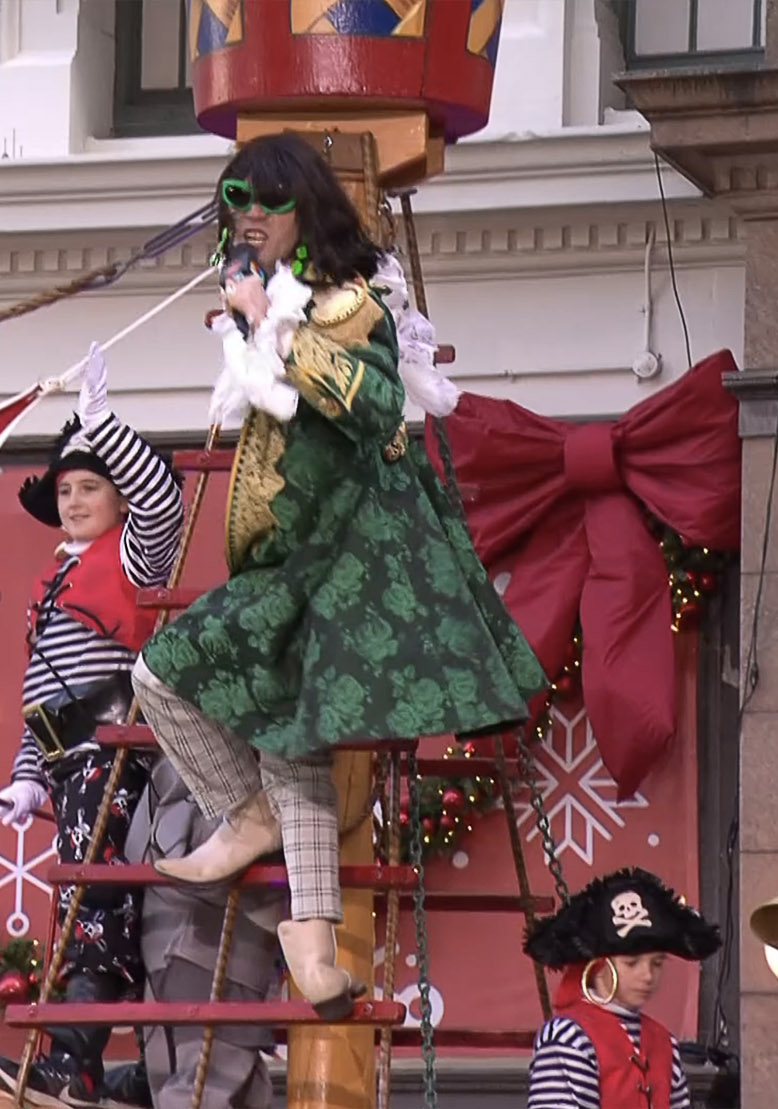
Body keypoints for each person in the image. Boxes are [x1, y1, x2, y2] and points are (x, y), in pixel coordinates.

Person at [128, 132, 546, 1014]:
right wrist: (259, 323)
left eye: (264, 200)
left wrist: (274, 330)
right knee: (288, 742)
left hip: (339, 563)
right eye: (234, 198)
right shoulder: (272, 311)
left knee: (162, 672)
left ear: (304, 210)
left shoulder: (353, 306)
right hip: (290, 562)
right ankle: (312, 951)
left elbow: (377, 403)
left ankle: (248, 822)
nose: (245, 215)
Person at [0, 343, 184, 1108]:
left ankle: (74, 1058)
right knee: (81, 905)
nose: (72, 501)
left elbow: (165, 502)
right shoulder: (53, 579)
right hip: (71, 763)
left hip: (117, 757)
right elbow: (43, 690)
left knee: (99, 904)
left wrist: (107, 422)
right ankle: (92, 1067)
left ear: (118, 495)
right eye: (65, 488)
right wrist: (28, 772)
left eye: (89, 486)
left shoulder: (134, 555)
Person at [126, 759, 279, 1108]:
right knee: (194, 1078)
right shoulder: (181, 757)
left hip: (217, 934)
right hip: (178, 929)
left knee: (206, 1079)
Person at [521, 868, 722, 1109]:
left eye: (657, 963)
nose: (648, 975)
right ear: (599, 965)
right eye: (631, 963)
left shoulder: (664, 1042)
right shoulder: (568, 1037)